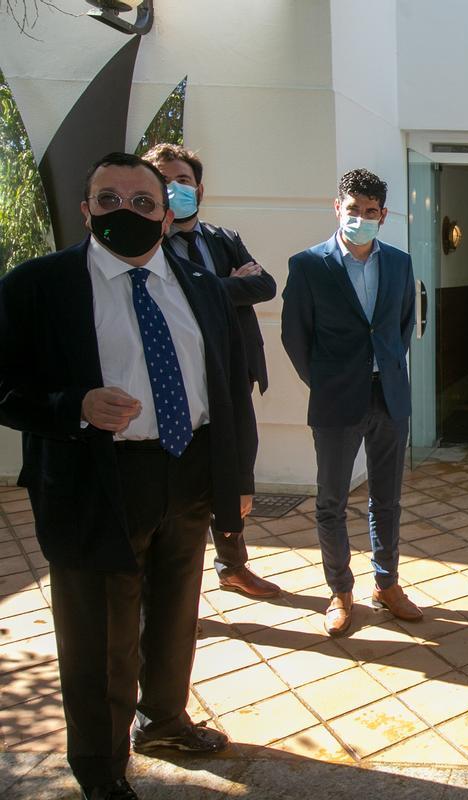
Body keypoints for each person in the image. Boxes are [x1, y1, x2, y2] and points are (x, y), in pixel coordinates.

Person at [0, 152, 258, 800]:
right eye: (109, 199)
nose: (126, 211)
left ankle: (164, 723)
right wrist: (75, 406)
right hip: (93, 481)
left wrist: (234, 480)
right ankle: (101, 769)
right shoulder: (39, 285)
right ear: (86, 210)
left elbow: (226, 390)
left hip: (188, 472)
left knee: (174, 616)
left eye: (143, 202)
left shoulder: (201, 286)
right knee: (98, 639)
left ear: (167, 215)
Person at [281, 168, 420, 637]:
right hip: (336, 399)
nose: (361, 217)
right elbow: (295, 335)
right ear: (337, 207)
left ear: (383, 215)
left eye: (370, 211)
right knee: (332, 501)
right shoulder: (308, 265)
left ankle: (387, 584)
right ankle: (340, 591)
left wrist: (387, 369)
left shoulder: (399, 263)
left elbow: (401, 325)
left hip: (389, 396)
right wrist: (324, 382)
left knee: (387, 499)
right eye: (353, 208)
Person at [144, 142, 281, 600]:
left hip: (233, 371)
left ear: (199, 189)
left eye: (183, 180)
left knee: (235, 470)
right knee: (178, 481)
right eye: (164, 181)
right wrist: (227, 286)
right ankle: (171, 595)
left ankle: (233, 566)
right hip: (177, 377)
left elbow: (265, 285)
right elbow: (168, 299)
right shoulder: (147, 246)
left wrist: (210, 289)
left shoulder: (223, 239)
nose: (175, 188)